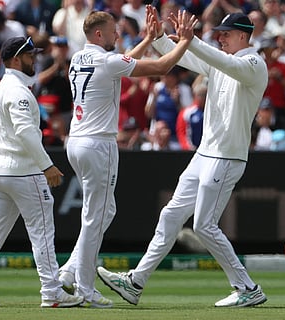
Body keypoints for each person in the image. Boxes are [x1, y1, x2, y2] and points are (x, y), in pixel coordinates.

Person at [97, 11, 268, 308]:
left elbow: (221, 61)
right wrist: (161, 37)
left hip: (227, 156)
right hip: (204, 154)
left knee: (204, 226)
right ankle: (135, 282)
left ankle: (247, 287)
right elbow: (183, 57)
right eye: (220, 33)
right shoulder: (219, 62)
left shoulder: (254, 64)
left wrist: (192, 40)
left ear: (243, 35)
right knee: (171, 215)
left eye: (226, 33)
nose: (221, 37)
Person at [58, 8, 197, 308]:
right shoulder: (107, 61)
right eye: (112, 31)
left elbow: (121, 65)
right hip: (98, 145)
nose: (118, 35)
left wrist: (148, 39)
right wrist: (185, 41)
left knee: (104, 212)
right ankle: (86, 289)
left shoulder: (79, 58)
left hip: (76, 143)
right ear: (98, 34)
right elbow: (161, 67)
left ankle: (68, 272)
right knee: (95, 217)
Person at [0, 36, 84, 308]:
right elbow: (26, 133)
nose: (35, 59)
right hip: (23, 172)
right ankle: (52, 292)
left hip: (1, 172)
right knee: (42, 231)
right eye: (30, 55)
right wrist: (47, 166)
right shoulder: (18, 91)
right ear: (15, 59)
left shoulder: (8, 86)